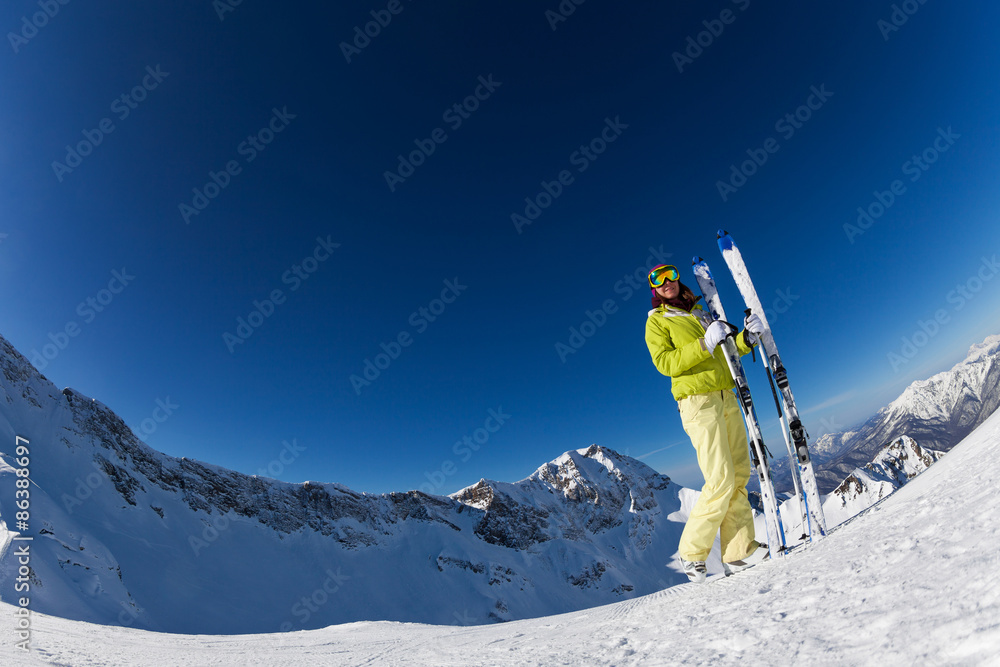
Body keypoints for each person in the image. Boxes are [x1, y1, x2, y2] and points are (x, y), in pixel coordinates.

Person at [643, 263, 768, 583]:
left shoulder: (701, 311)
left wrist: (747, 337)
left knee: (739, 473)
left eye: (670, 274)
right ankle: (692, 552)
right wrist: (703, 343)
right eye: (658, 279)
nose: (667, 282)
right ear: (654, 289)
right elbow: (666, 363)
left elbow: (724, 349)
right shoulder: (657, 323)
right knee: (720, 478)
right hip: (698, 402)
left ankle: (738, 552)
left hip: (727, 394)